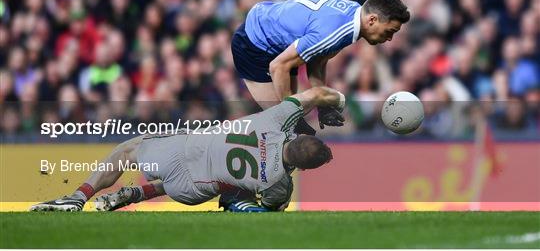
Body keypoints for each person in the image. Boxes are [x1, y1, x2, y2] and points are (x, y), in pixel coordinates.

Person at [29, 86, 342, 212]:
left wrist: (338, 100)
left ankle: (78, 197)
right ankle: (134, 194)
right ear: (303, 168)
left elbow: (313, 93)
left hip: (184, 149)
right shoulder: (279, 184)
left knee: (125, 152)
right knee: (228, 185)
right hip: (190, 192)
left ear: (297, 136)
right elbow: (271, 209)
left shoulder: (275, 122)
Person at [231, 0, 410, 134]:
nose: (389, 39)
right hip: (254, 45)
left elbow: (318, 57)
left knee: (293, 124)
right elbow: (278, 66)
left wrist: (323, 107)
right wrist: (293, 116)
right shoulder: (337, 30)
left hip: (274, 36)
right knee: (283, 127)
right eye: (390, 31)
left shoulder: (353, 14)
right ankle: (222, 144)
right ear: (372, 20)